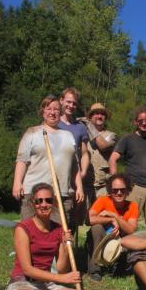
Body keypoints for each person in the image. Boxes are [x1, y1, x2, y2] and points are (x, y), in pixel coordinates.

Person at [5, 183, 146, 290]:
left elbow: (62, 268)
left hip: (47, 286)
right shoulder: (23, 228)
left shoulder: (58, 229)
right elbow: (27, 268)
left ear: (54, 202)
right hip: (23, 282)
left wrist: (64, 245)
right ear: (33, 204)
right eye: (39, 201)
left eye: (48, 200)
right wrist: (60, 278)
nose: (43, 204)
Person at [12, 95, 83, 222]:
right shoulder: (32, 132)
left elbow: (75, 165)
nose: (52, 112)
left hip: (61, 193)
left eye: (56, 109)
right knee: (31, 232)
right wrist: (17, 182)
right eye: (48, 109)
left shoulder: (68, 135)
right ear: (42, 112)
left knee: (58, 235)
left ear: (60, 112)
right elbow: (22, 160)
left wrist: (79, 187)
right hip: (34, 192)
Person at [87, 173, 139, 281]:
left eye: (122, 190)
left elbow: (131, 230)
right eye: (115, 190)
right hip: (102, 237)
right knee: (96, 228)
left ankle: (116, 266)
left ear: (127, 190)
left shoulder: (133, 206)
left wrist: (115, 217)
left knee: (133, 238)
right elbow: (90, 219)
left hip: (119, 240)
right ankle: (95, 269)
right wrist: (110, 219)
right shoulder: (102, 200)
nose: (119, 193)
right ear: (110, 190)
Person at [59, 88, 90, 232]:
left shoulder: (80, 127)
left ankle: (69, 251)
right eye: (68, 102)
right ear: (61, 101)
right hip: (54, 174)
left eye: (74, 103)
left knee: (70, 215)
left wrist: (82, 173)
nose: (71, 106)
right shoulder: (53, 122)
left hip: (73, 176)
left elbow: (84, 153)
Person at [82, 102, 117, 200]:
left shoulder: (111, 135)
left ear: (105, 118)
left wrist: (90, 127)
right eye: (96, 113)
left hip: (103, 187)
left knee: (103, 215)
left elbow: (103, 146)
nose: (99, 116)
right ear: (90, 116)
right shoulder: (82, 135)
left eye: (102, 114)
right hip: (85, 185)